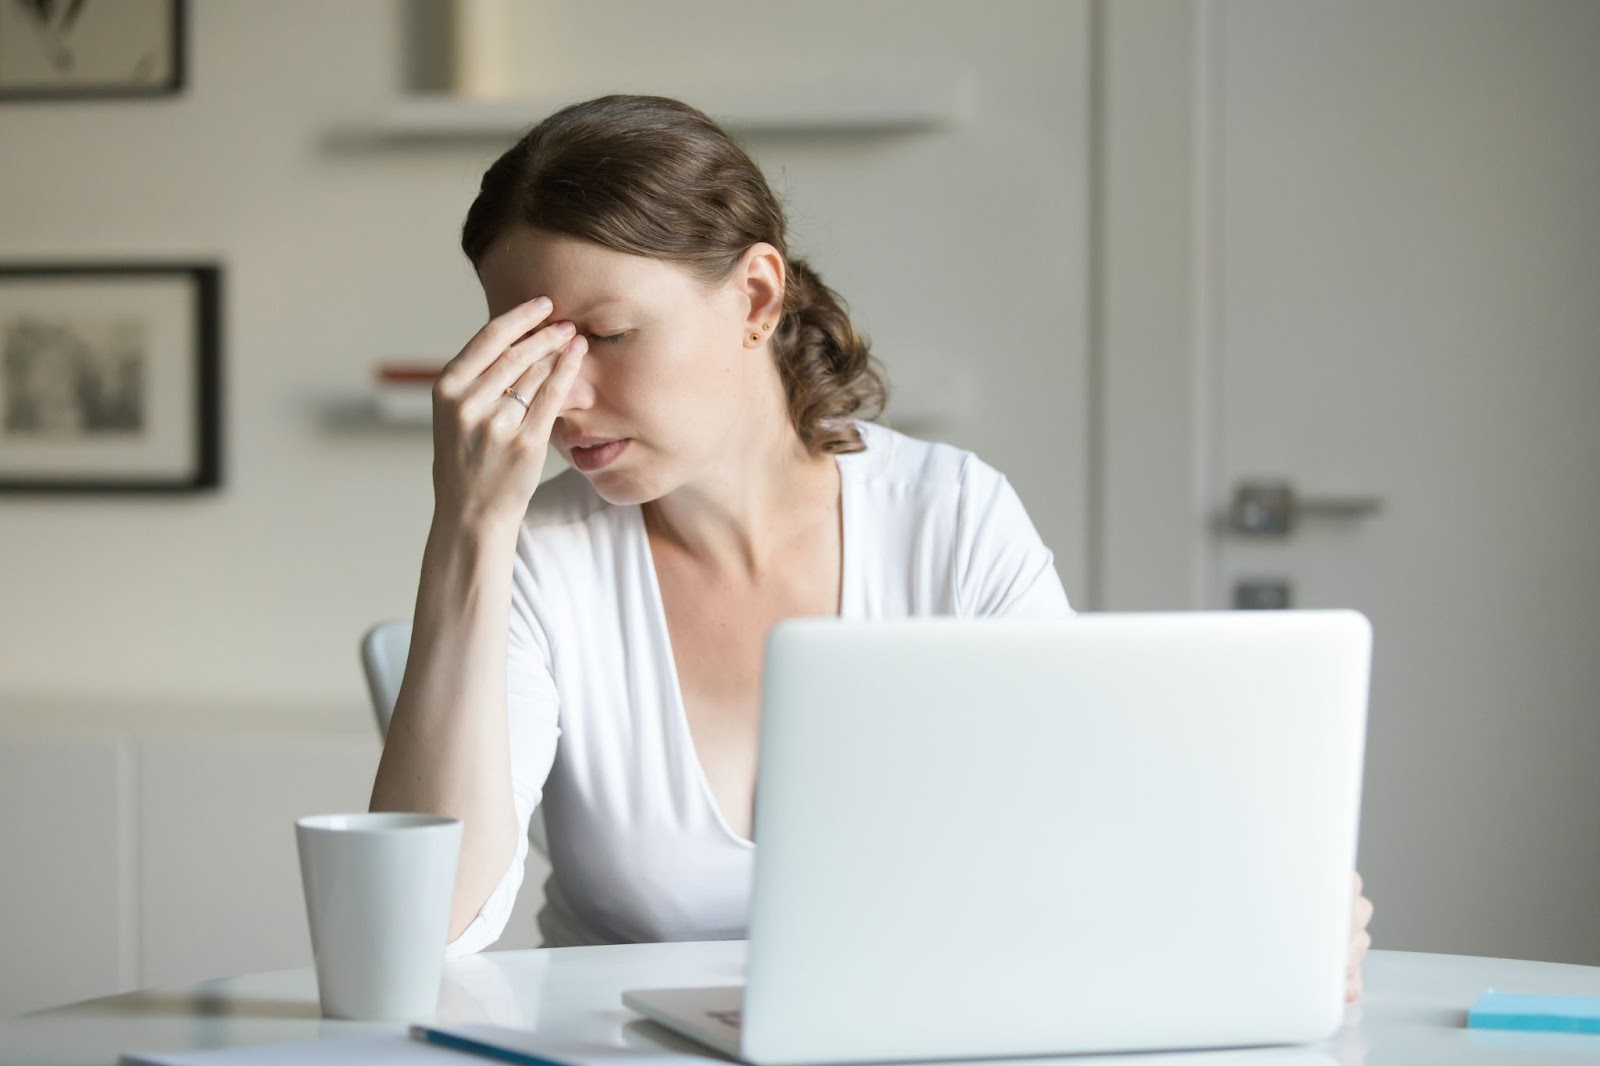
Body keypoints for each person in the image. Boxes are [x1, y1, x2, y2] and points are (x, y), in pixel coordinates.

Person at [368, 94, 1374, 1001]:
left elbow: (1086, 830)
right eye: (532, 350)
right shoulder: (540, 558)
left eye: (611, 334)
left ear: (755, 298)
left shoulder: (951, 518)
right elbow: (425, 931)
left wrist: (1269, 902)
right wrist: (470, 526)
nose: (565, 400)